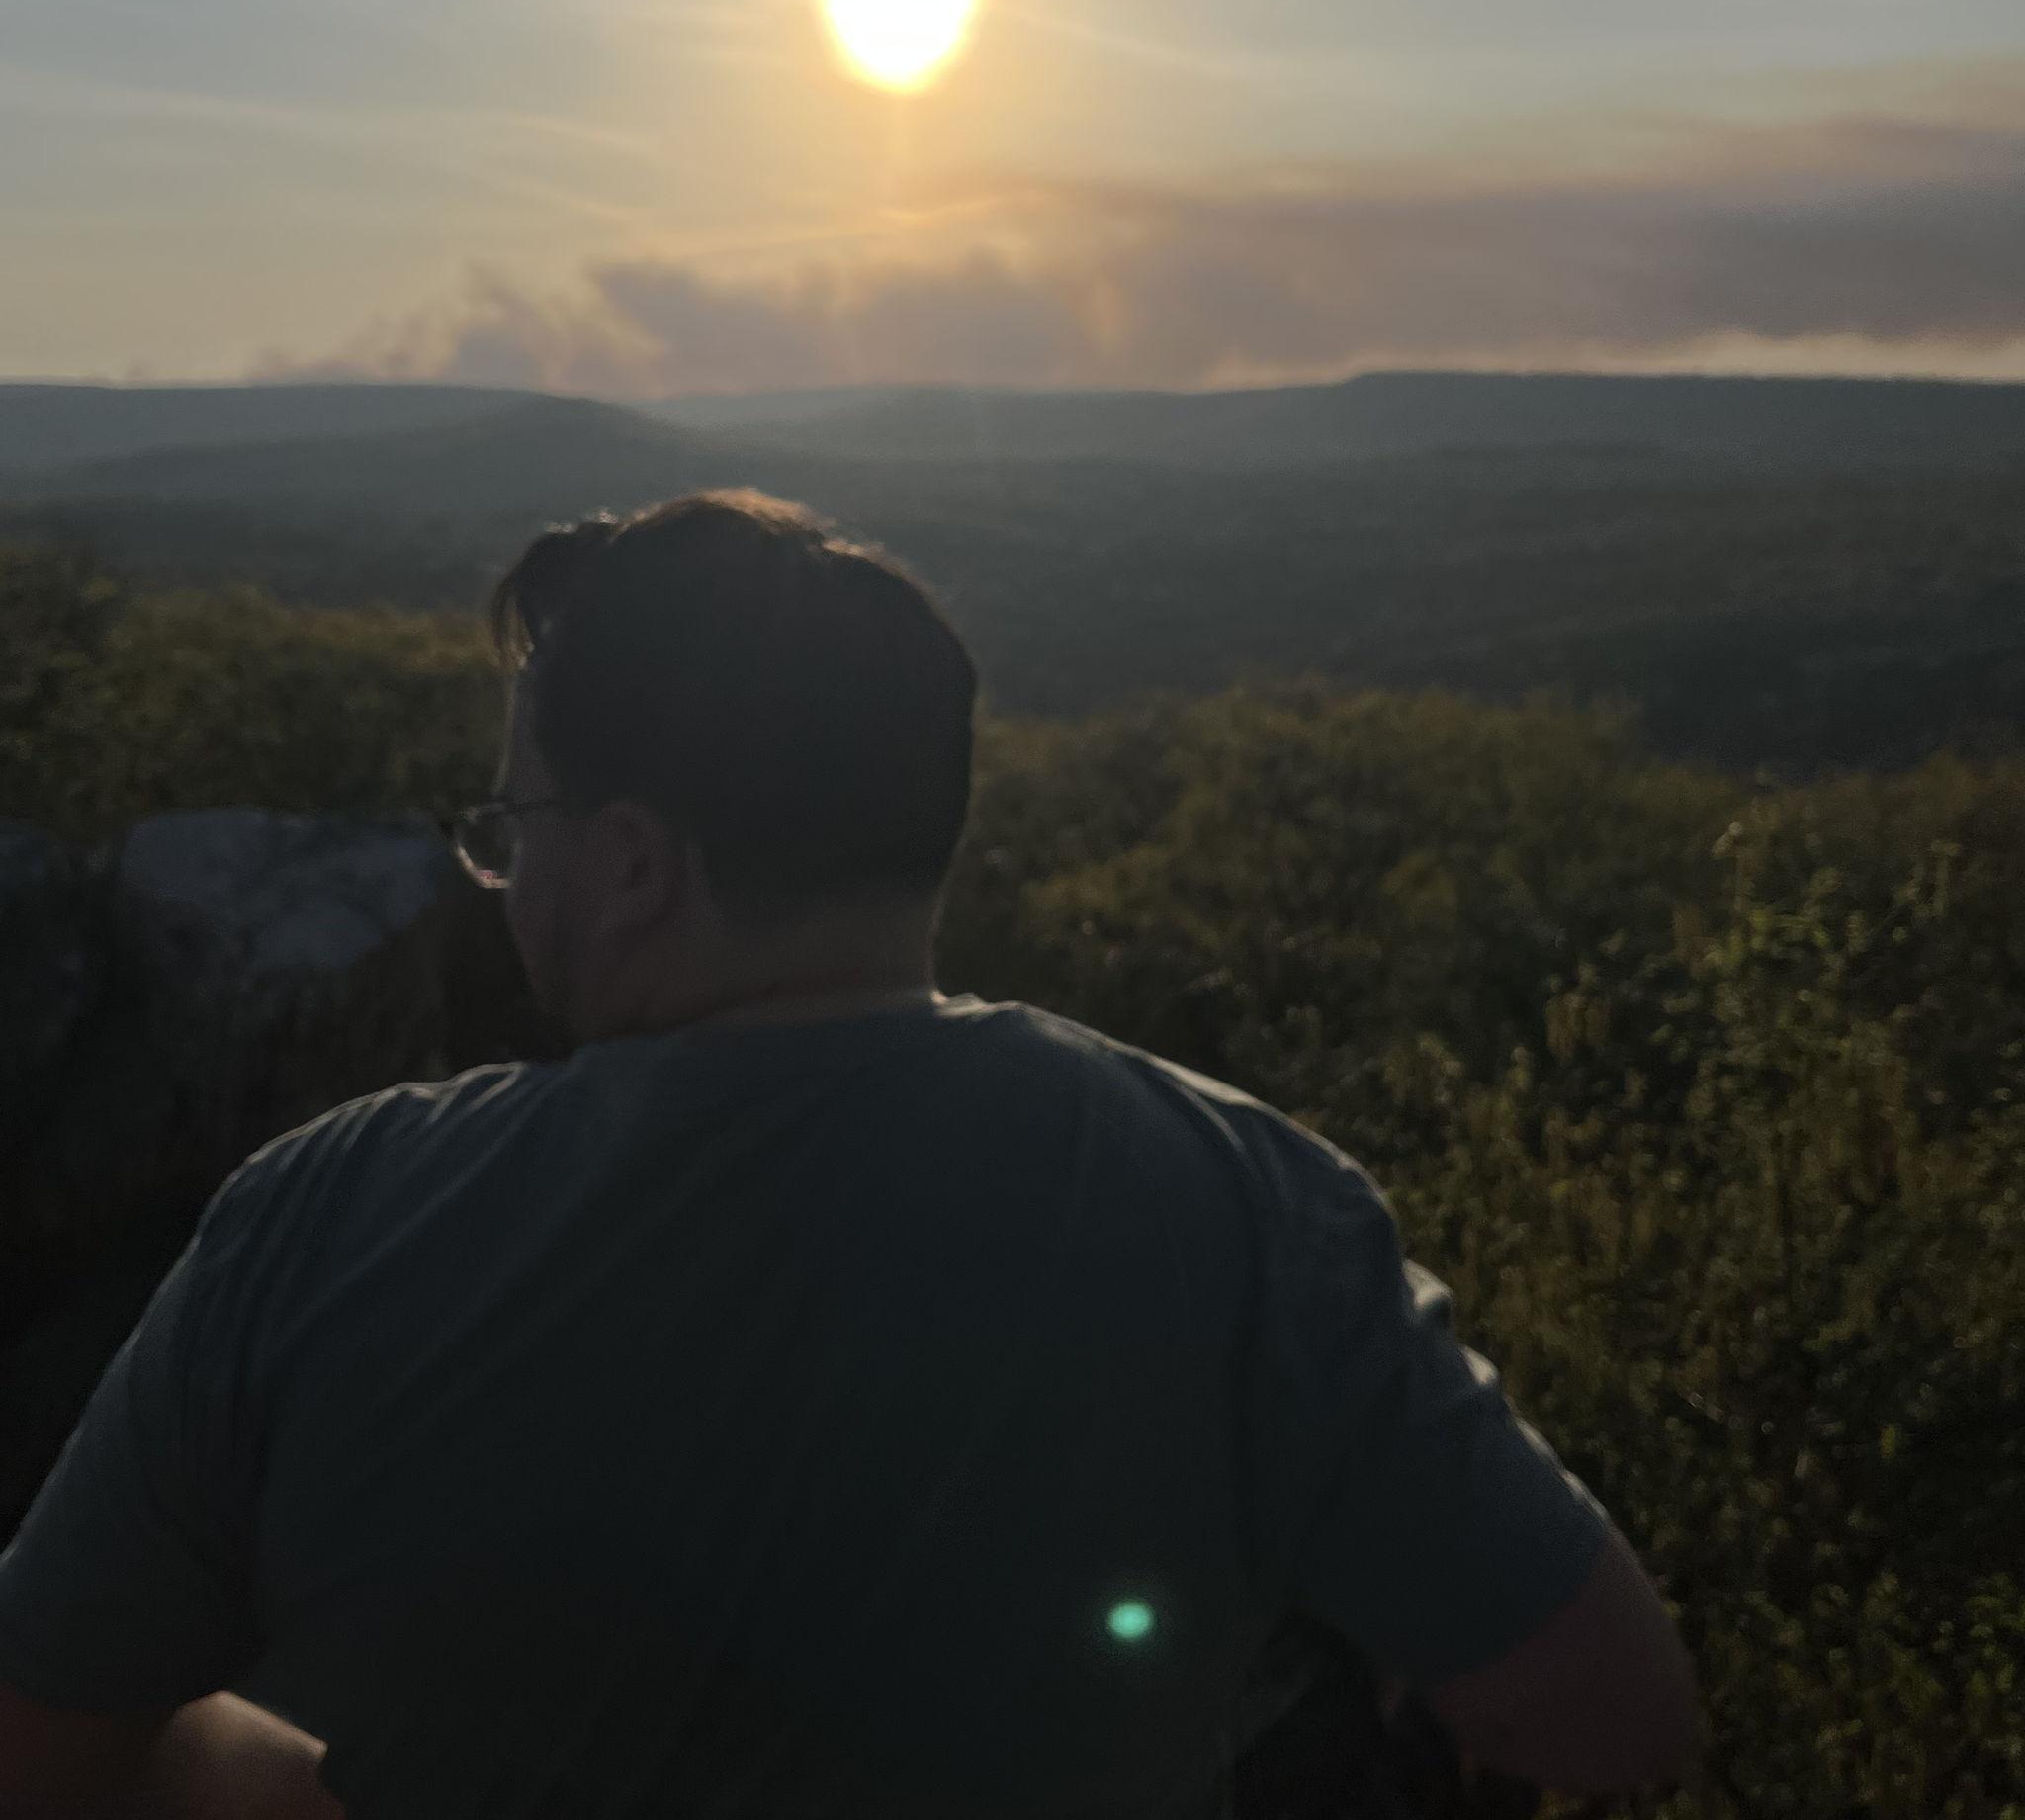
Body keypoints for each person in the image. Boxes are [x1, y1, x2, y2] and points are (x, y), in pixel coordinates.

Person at [0, 489, 1700, 1820]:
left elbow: (37, 1752)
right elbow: (1620, 1718)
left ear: (640, 864)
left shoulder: (322, 1218)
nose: (496, 880)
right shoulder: (1244, 1199)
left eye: (514, 830)